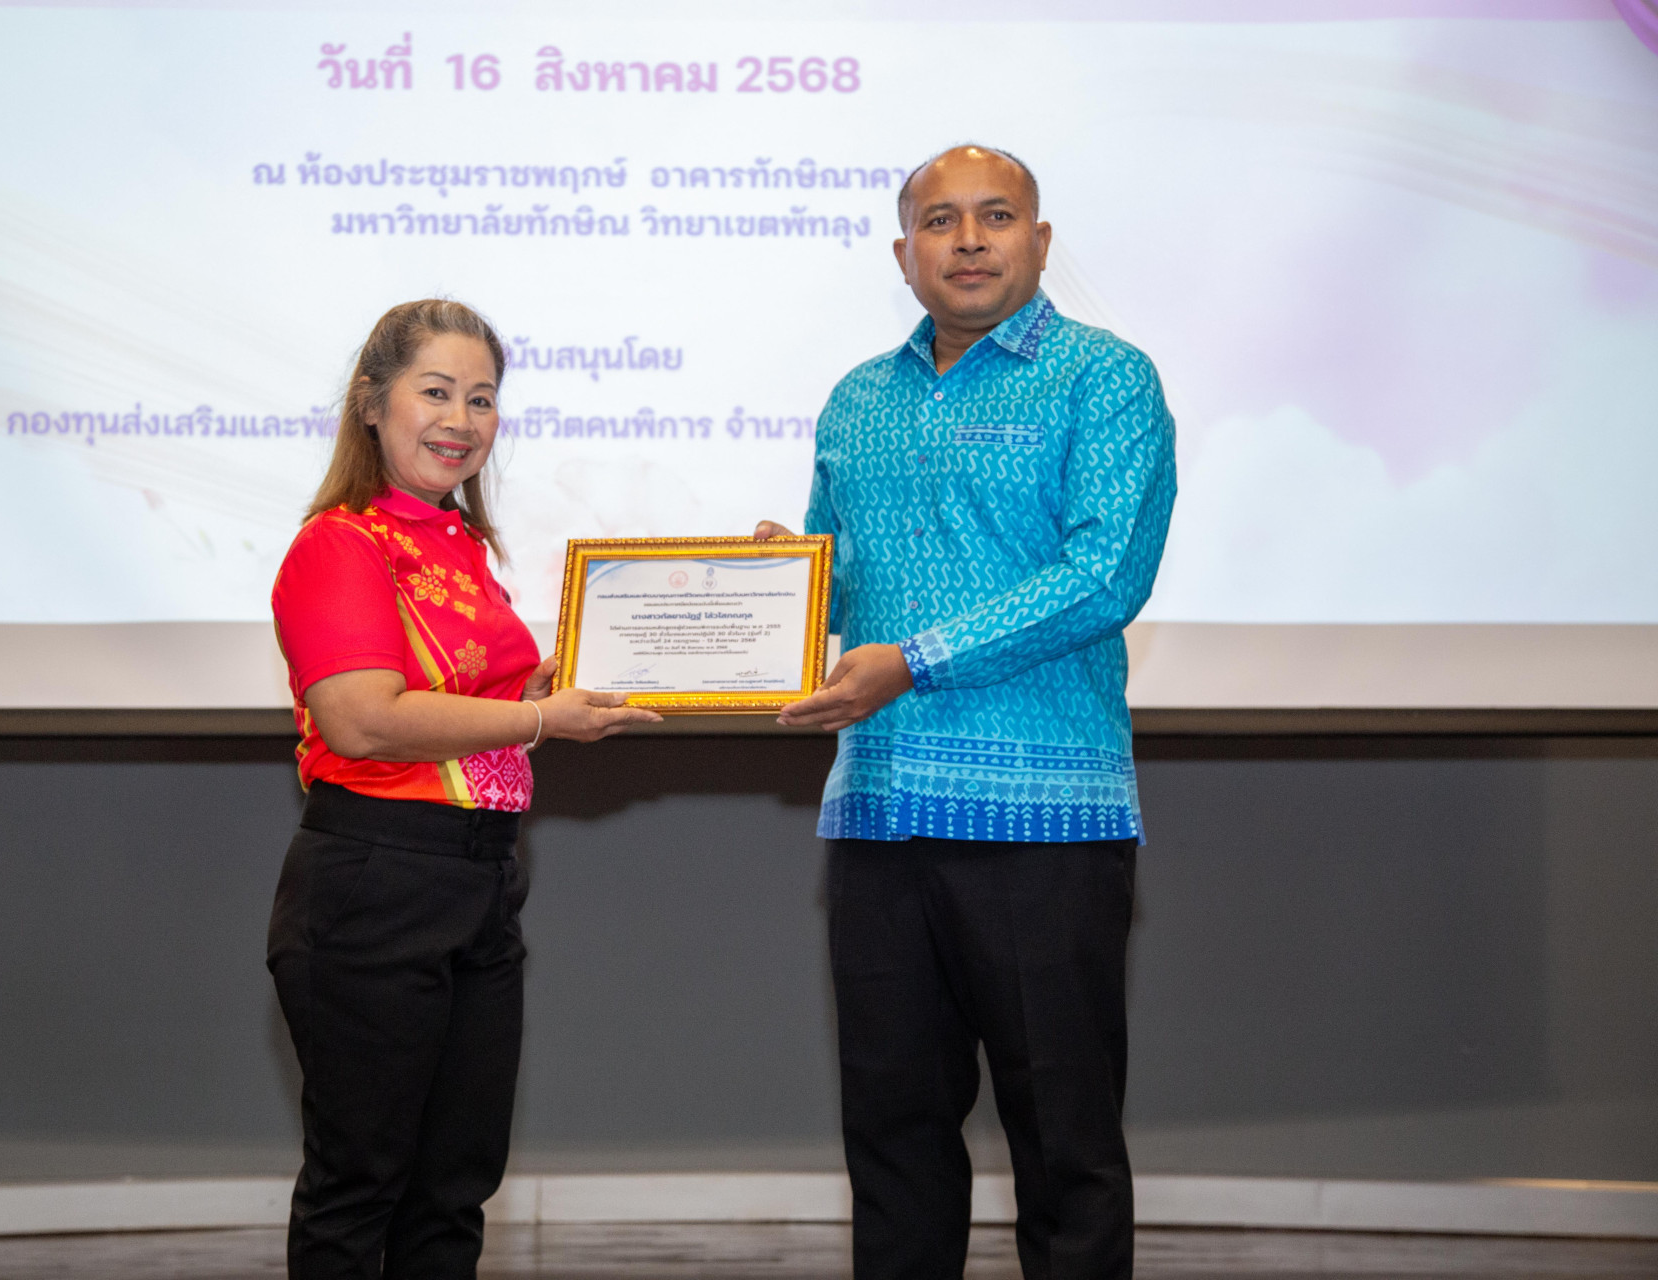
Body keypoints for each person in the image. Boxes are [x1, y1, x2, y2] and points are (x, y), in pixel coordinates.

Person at [755, 146, 1177, 1280]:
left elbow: (1105, 576)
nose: (971, 239)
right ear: (905, 255)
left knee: (1066, 1146)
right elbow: (839, 588)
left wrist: (918, 660)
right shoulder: (858, 398)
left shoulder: (1105, 378)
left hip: (1046, 816)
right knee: (892, 1143)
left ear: (1041, 240)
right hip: (880, 811)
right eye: (941, 221)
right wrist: (774, 586)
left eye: (997, 215)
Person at [266, 299, 659, 1280]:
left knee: (453, 1186)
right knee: (361, 1182)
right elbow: (363, 718)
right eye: (436, 392)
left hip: (480, 877)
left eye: (481, 399)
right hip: (377, 877)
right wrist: (543, 720)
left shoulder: (457, 541)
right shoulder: (340, 543)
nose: (461, 420)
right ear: (371, 403)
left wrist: (546, 689)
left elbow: (462, 700)